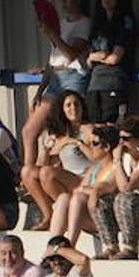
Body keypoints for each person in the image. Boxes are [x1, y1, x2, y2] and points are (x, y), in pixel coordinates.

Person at [21, 0, 93, 188]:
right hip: (55, 78)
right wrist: (40, 90)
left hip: (73, 77)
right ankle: (28, 176)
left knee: (68, 128)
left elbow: (71, 54)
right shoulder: (60, 23)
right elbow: (53, 59)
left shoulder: (84, 24)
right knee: (29, 130)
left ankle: (69, 176)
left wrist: (53, 34)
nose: (64, 3)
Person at [93, 114, 139, 259]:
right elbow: (113, 185)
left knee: (125, 199)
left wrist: (117, 160)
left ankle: (130, 248)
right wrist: (94, 193)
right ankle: (111, 247)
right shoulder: (126, 159)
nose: (121, 143)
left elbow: (127, 188)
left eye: (125, 139)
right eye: (120, 138)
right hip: (137, 211)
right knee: (102, 202)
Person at [23, 89, 91, 231]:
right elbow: (43, 165)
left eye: (76, 104)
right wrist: (46, 150)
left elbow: (97, 159)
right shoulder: (60, 134)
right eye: (68, 105)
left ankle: (66, 212)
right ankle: (49, 215)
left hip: (86, 179)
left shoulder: (89, 130)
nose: (73, 108)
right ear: (63, 110)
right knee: (27, 172)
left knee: (47, 173)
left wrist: (76, 143)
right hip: (67, 179)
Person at [49, 123, 118, 244]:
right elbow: (80, 189)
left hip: (105, 218)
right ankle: (52, 246)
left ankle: (70, 245)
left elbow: (101, 189)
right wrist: (89, 191)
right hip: (89, 214)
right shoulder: (94, 168)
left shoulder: (115, 168)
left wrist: (90, 191)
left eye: (94, 143)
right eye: (89, 142)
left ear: (107, 147)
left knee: (78, 199)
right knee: (64, 198)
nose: (90, 146)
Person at [85, 0, 139, 123]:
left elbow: (114, 58)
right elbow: (88, 61)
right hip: (94, 84)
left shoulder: (126, 21)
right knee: (95, 129)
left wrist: (95, 57)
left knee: (112, 127)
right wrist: (95, 56)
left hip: (114, 82)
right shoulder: (97, 24)